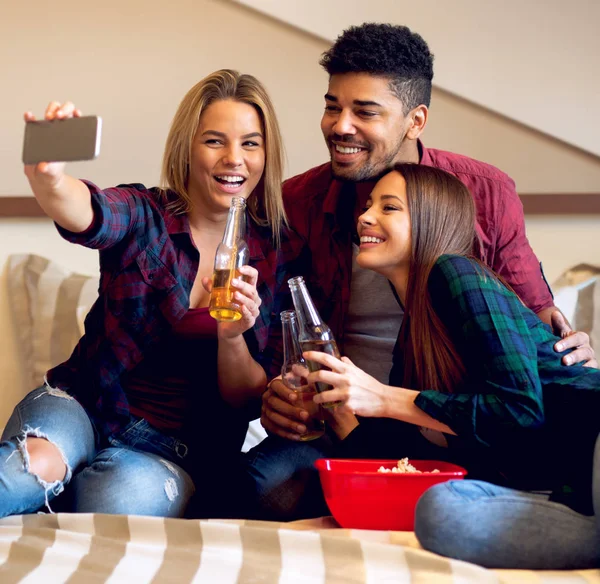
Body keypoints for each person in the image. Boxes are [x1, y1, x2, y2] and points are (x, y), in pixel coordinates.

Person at [246, 22, 596, 520]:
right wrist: (278, 389)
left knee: (452, 509)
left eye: (365, 111)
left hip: (453, 415)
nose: (340, 125)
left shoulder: (479, 206)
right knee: (264, 484)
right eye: (332, 106)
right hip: (362, 418)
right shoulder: (297, 201)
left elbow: (531, 335)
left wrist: (565, 350)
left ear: (416, 120)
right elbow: (271, 329)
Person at [1, 69, 287, 519]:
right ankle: (50, 484)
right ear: (188, 148)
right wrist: (50, 178)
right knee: (30, 470)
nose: (234, 158)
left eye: (250, 143)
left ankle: (59, 499)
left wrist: (232, 337)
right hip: (83, 406)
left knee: (116, 506)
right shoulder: (145, 214)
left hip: (174, 452)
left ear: (266, 154)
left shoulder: (277, 253)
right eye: (214, 141)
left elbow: (246, 400)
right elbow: (91, 213)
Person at [305, 163, 600, 570]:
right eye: (369, 204)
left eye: (389, 207)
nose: (365, 216)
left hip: (593, 443)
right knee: (439, 511)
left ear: (431, 219)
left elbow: (520, 413)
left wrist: (386, 398)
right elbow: (399, 459)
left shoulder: (456, 273)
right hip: (566, 489)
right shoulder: (414, 333)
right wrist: (340, 412)